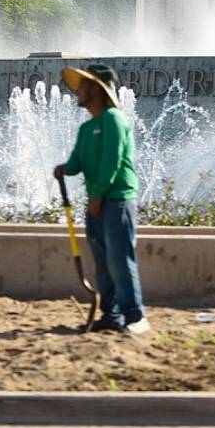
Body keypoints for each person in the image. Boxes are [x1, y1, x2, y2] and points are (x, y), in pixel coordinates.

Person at [52, 63, 149, 336]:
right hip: (97, 203)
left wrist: (97, 195)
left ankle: (136, 316)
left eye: (84, 85)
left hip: (117, 199)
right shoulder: (87, 128)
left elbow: (112, 160)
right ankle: (111, 315)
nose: (78, 91)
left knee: (120, 260)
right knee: (103, 262)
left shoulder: (113, 119)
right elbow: (77, 162)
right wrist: (65, 169)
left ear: (97, 89)